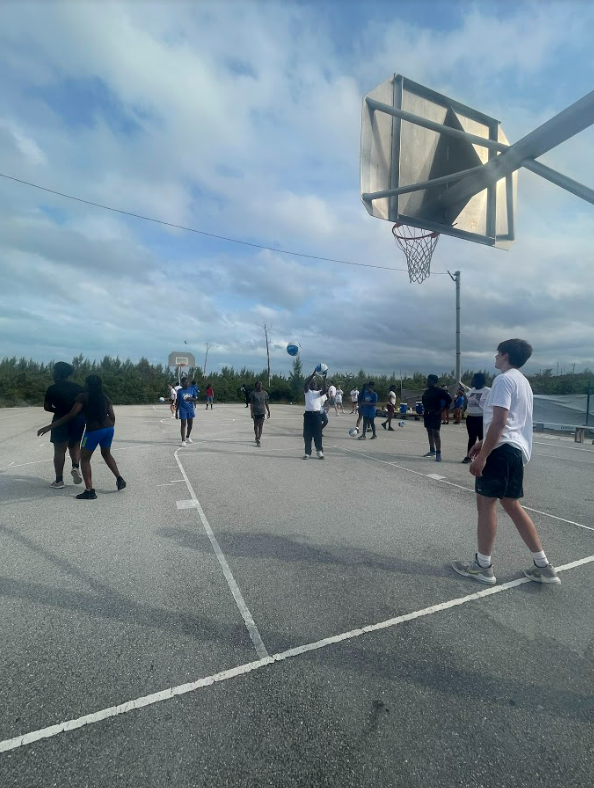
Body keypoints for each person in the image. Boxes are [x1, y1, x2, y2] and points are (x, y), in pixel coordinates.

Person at [453, 338, 560, 585]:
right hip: (515, 450)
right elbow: (509, 423)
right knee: (512, 505)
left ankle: (482, 566)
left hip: (501, 451)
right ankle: (543, 567)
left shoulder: (502, 380)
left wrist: (485, 456)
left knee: (486, 506)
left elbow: (501, 422)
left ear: (505, 355)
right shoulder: (523, 382)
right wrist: (482, 443)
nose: (495, 358)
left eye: (497, 354)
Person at [37, 375, 126, 500]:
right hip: (108, 429)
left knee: (85, 459)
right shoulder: (105, 397)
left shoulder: (83, 397)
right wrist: (110, 429)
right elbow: (112, 415)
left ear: (87, 384)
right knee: (106, 454)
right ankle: (119, 478)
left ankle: (89, 491)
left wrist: (49, 427)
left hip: (93, 431)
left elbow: (71, 415)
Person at [42, 361, 85, 488]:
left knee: (59, 450)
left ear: (57, 373)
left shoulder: (52, 388)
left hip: (59, 419)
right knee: (75, 444)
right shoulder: (78, 387)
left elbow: (47, 407)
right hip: (77, 419)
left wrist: (59, 410)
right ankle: (75, 466)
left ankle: (59, 480)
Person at [459, 373, 491, 463]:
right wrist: (463, 410)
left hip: (482, 418)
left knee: (482, 438)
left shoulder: (488, 391)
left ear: (479, 380)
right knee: (471, 438)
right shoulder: (471, 391)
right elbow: (466, 402)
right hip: (471, 418)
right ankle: (469, 456)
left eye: (474, 379)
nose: (472, 381)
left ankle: (483, 458)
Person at [422, 375, 451, 461]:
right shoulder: (427, 392)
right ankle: (432, 450)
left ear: (433, 381)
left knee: (436, 433)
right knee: (429, 432)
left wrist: (442, 410)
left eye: (429, 380)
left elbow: (449, 400)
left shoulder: (439, 391)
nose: (428, 382)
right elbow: (423, 400)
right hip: (428, 414)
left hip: (436, 414)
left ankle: (438, 452)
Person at [303, 368, 327, 459]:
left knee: (318, 434)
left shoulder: (319, 393)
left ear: (317, 386)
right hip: (308, 415)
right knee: (307, 434)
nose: (313, 384)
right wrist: (313, 375)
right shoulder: (307, 392)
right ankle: (307, 453)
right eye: (312, 383)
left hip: (317, 415)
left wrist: (324, 378)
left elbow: (325, 390)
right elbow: (306, 384)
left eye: (315, 383)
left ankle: (319, 451)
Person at [176, 377, 198, 445]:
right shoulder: (180, 391)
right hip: (183, 409)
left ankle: (188, 436)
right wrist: (176, 411)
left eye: (188, 382)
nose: (187, 383)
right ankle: (183, 440)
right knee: (183, 424)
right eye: (185, 382)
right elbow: (178, 402)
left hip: (190, 409)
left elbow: (196, 399)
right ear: (182, 383)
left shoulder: (192, 389)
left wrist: (190, 398)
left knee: (190, 425)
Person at [249, 380, 270, 446]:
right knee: (256, 425)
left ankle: (258, 438)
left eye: (261, 384)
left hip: (262, 411)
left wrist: (268, 411)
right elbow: (251, 404)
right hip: (255, 411)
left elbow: (266, 403)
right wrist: (251, 412)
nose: (260, 385)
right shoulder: (253, 393)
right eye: (258, 384)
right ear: (256, 386)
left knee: (261, 425)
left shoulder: (265, 393)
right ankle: (256, 436)